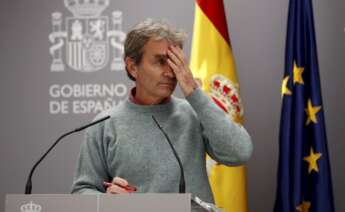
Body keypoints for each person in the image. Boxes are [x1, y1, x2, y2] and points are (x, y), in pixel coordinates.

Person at [71, 19, 253, 203]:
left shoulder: (194, 112)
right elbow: (82, 192)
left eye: (175, 62)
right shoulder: (103, 124)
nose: (170, 72)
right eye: (160, 62)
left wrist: (194, 92)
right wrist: (107, 200)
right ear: (133, 67)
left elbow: (240, 152)